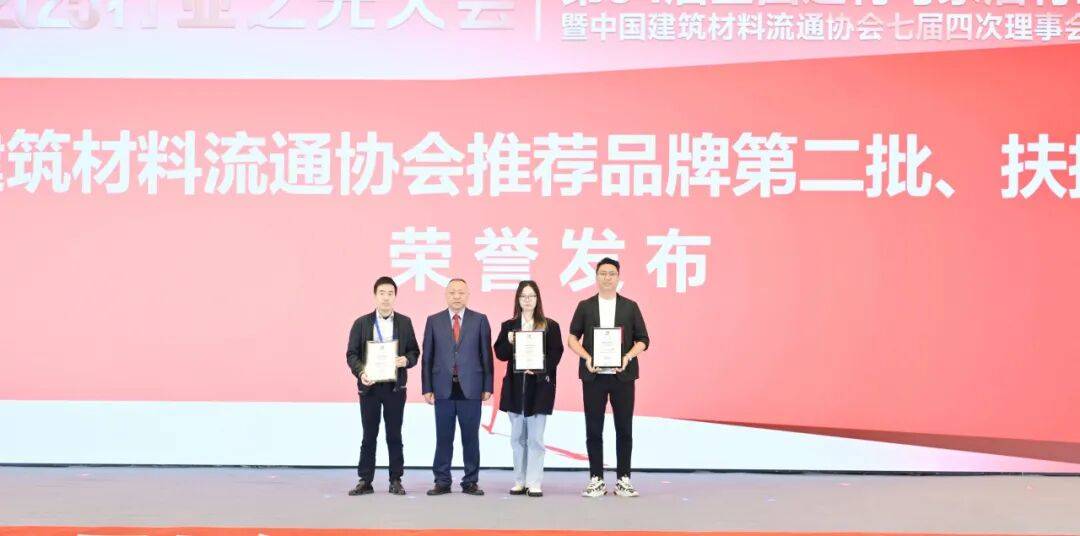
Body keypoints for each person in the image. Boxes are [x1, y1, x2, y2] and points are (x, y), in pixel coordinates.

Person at [567, 258, 650, 498]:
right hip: (593, 377)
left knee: (624, 428)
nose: (607, 277)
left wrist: (627, 357)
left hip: (623, 377)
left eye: (611, 273)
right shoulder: (585, 306)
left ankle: (624, 479)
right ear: (596, 277)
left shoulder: (630, 307)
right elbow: (572, 338)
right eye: (602, 273)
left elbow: (644, 340)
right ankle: (596, 479)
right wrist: (586, 357)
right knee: (593, 429)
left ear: (618, 277)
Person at [344, 276, 420, 496]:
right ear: (375, 296)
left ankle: (395, 479)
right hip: (370, 388)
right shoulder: (361, 323)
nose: (386, 297)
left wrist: (406, 360)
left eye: (390, 293)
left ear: (395, 296)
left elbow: (414, 352)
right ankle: (365, 480)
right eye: (382, 293)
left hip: (395, 388)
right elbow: (351, 354)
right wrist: (361, 372)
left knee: (394, 435)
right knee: (369, 434)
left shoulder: (404, 322)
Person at [421, 278, 494, 496]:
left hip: (471, 388)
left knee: (470, 438)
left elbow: (486, 355)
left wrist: (487, 385)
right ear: (446, 295)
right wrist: (427, 387)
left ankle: (470, 481)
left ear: (468, 295)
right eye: (452, 292)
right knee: (443, 437)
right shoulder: (433, 320)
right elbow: (427, 357)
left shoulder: (480, 320)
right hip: (442, 387)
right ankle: (442, 481)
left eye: (461, 292)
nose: (456, 296)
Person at [492, 280, 564, 497]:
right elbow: (500, 354)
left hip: (539, 389)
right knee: (517, 439)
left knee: (535, 439)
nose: (527, 300)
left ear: (537, 299)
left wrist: (540, 368)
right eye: (523, 296)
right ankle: (519, 480)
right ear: (518, 299)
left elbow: (556, 353)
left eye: (531, 296)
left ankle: (534, 482)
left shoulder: (550, 326)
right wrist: (509, 341)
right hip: (515, 390)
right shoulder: (509, 326)